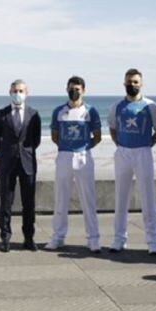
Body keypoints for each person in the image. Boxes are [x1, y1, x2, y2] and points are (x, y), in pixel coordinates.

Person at [108, 68, 156, 254]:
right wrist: (121, 145)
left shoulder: (151, 106)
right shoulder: (116, 106)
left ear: (141, 84)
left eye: (135, 82)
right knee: (121, 197)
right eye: (129, 82)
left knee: (148, 197)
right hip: (123, 152)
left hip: (143, 153)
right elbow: (113, 129)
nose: (132, 85)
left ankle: (153, 241)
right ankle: (119, 238)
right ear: (124, 83)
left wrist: (146, 145)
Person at [47, 75, 102, 252]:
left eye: (77, 89)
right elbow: (55, 136)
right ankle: (58, 237)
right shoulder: (59, 111)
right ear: (66, 89)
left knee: (88, 199)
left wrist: (83, 147)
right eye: (71, 88)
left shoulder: (91, 111)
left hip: (83, 157)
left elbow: (97, 136)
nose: (74, 91)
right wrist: (66, 148)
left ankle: (93, 239)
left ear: (83, 91)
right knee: (61, 199)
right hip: (64, 156)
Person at [0, 79, 41, 252]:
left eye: (21, 90)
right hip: (7, 163)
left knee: (29, 204)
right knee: (6, 202)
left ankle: (29, 238)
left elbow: (36, 140)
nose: (17, 93)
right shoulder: (1, 114)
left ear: (27, 93)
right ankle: (5, 237)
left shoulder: (34, 114)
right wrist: (5, 154)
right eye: (15, 90)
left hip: (27, 163)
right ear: (10, 92)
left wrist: (24, 152)